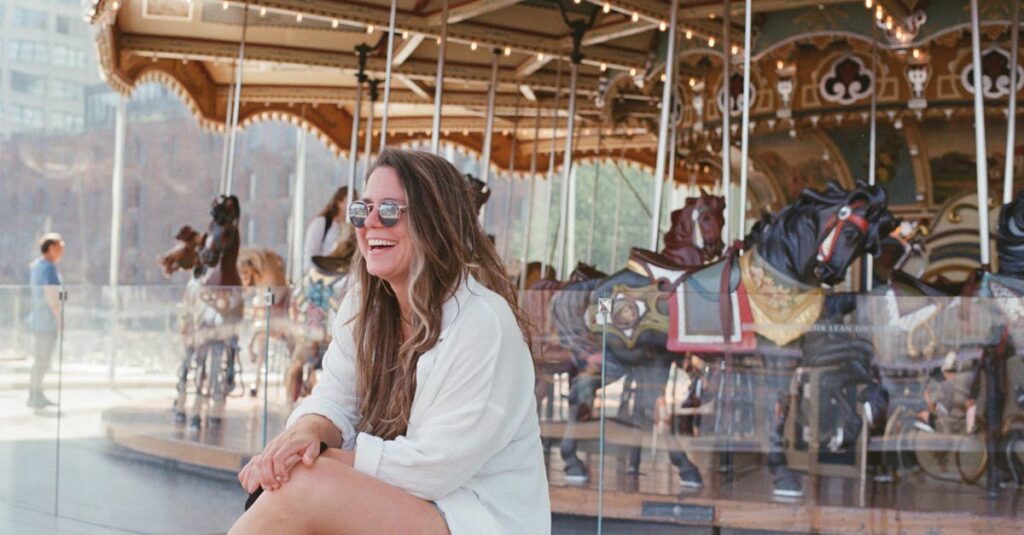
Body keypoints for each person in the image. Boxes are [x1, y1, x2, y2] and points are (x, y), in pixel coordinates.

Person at [230, 149, 550, 534]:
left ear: (436, 221)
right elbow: (334, 397)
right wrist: (306, 433)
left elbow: (435, 467)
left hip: (472, 516)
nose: (371, 224)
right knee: (296, 480)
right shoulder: (363, 305)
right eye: (363, 211)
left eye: (391, 211)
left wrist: (320, 458)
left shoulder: (483, 322)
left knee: (304, 484)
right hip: (407, 502)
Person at [27, 233, 64, 409]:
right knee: (42, 359)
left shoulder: (37, 266)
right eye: (59, 247)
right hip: (46, 321)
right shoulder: (48, 268)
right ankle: (35, 395)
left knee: (40, 359)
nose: (62, 251)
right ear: (51, 248)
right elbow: (51, 293)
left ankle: (36, 393)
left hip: (37, 320)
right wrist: (59, 317)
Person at [303, 186, 350, 273]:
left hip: (341, 277)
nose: (353, 203)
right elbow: (310, 254)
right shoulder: (321, 223)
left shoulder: (350, 228)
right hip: (321, 276)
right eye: (351, 199)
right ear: (339, 202)